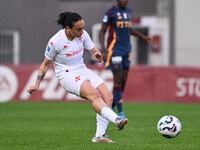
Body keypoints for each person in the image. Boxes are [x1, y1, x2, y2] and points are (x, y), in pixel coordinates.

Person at [26, 11, 128, 143]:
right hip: (66, 74)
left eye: (83, 27)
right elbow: (45, 64)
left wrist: (96, 54)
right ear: (68, 28)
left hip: (82, 69)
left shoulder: (82, 34)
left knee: (108, 97)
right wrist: (37, 84)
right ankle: (116, 119)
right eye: (78, 29)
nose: (82, 31)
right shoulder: (55, 42)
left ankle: (99, 136)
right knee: (94, 95)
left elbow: (93, 50)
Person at [99, 0, 151, 117]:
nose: (124, 1)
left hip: (127, 50)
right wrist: (103, 49)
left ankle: (110, 107)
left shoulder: (128, 12)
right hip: (114, 50)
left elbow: (129, 29)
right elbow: (102, 31)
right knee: (118, 79)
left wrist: (142, 36)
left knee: (123, 81)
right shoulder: (110, 12)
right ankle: (120, 112)